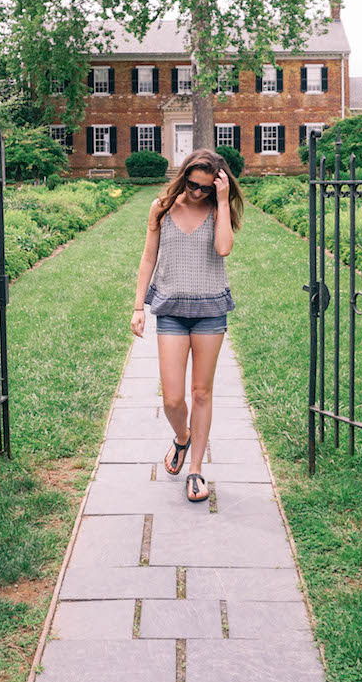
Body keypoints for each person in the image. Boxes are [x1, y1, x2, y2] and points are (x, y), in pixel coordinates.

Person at [131, 149, 244, 502]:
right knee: (173, 398)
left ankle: (195, 470)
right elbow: (148, 256)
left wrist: (222, 201)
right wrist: (138, 307)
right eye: (193, 185)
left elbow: (224, 248)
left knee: (201, 393)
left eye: (206, 189)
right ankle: (182, 437)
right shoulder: (161, 208)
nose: (198, 193)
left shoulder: (217, 208)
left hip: (211, 309)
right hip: (171, 310)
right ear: (184, 177)